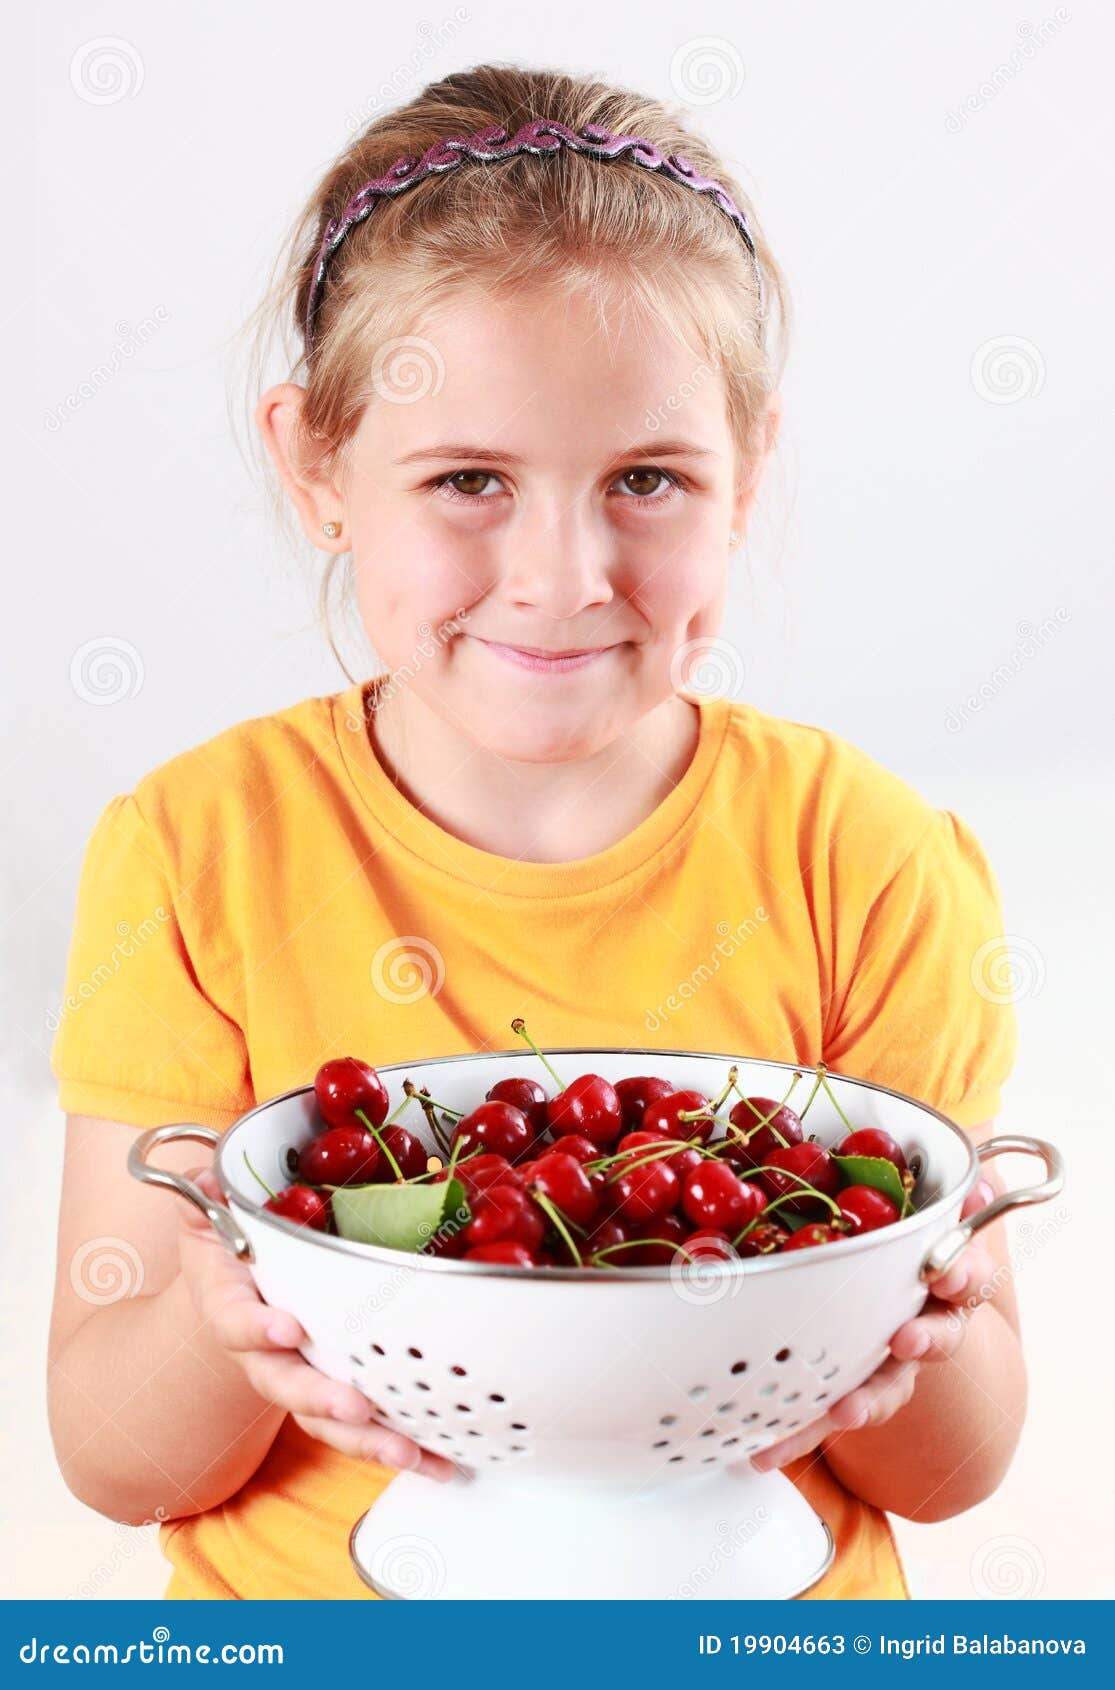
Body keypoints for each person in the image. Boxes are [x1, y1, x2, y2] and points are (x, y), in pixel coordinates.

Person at [47, 64, 1022, 1601]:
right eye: (470, 480)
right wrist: (213, 1316)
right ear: (318, 468)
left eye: (647, 478)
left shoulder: (870, 856)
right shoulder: (196, 849)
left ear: (749, 471)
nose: (563, 574)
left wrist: (913, 1319)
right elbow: (110, 1456)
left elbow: (955, 1470)